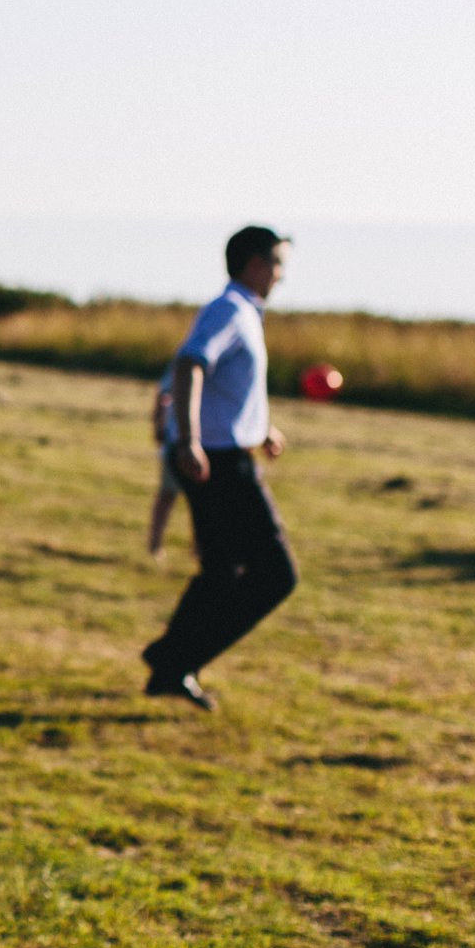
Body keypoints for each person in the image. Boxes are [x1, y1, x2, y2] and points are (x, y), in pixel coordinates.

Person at [141, 226, 296, 711]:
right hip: (217, 461)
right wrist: (187, 440)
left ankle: (170, 663)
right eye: (277, 264)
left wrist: (260, 427)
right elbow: (190, 366)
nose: (282, 275)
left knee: (222, 572)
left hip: (226, 451)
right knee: (275, 574)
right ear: (254, 264)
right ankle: (176, 658)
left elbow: (227, 385)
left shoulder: (244, 312)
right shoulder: (229, 309)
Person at [143, 368, 179, 559]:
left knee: (203, 505)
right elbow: (163, 394)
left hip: (210, 445)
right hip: (177, 443)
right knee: (167, 494)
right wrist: (158, 424)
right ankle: (155, 543)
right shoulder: (185, 359)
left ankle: (200, 550)